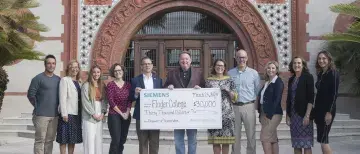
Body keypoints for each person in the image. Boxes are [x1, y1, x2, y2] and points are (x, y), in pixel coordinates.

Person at [164, 51, 205, 154]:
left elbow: (205, 89)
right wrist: (168, 87)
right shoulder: (171, 73)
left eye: (187, 59)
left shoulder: (198, 73)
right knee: (178, 140)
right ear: (179, 61)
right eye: (182, 59)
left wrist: (200, 89)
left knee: (192, 140)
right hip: (177, 113)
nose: (184, 61)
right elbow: (164, 88)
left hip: (193, 112)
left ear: (190, 61)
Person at [27, 54, 61, 154]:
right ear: (45, 65)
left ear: (55, 65)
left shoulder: (58, 80)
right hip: (41, 115)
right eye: (49, 63)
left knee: (49, 141)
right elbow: (30, 94)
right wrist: (38, 107)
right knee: (40, 140)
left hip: (54, 116)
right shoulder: (37, 78)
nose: (51, 65)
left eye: (53, 63)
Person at [229, 49, 261, 154]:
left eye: (243, 57)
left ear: (247, 58)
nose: (241, 59)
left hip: (249, 106)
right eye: (239, 57)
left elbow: (257, 90)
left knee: (251, 134)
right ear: (236, 58)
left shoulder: (254, 73)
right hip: (235, 107)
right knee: (235, 135)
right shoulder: (230, 73)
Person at [131, 57, 163, 154]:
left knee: (154, 142)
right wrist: (136, 94)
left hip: (155, 116)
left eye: (149, 63)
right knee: (143, 142)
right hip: (141, 116)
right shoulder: (135, 80)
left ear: (152, 66)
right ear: (141, 66)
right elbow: (131, 97)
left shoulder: (158, 80)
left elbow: (162, 97)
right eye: (145, 64)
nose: (147, 65)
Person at [206, 59, 237, 154]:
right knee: (215, 142)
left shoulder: (229, 80)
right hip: (213, 114)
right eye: (218, 65)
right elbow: (204, 96)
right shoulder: (208, 81)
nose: (220, 67)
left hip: (227, 114)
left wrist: (228, 91)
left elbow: (235, 97)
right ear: (214, 67)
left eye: (222, 66)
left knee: (225, 142)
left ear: (224, 68)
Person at [286, 57, 315, 154]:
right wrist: (288, 115)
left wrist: (307, 115)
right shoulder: (291, 79)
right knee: (296, 144)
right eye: (294, 63)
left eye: (299, 63)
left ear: (303, 65)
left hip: (304, 115)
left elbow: (311, 98)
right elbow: (288, 99)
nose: (296, 65)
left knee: (306, 144)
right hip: (294, 116)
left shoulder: (308, 77)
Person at [313, 51, 339, 154]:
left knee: (324, 139)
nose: (321, 60)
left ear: (329, 60)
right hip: (319, 110)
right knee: (321, 139)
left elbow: (334, 94)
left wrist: (329, 112)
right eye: (319, 58)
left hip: (327, 111)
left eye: (324, 58)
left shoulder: (333, 73)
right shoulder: (320, 74)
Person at [257, 61, 284, 154]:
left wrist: (270, 115)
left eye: (273, 68)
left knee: (264, 138)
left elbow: (277, 99)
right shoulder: (267, 82)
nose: (270, 70)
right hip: (264, 113)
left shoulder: (278, 82)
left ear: (276, 70)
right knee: (272, 138)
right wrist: (261, 113)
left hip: (273, 114)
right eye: (269, 68)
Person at [57, 60, 83, 154]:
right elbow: (62, 97)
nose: (74, 69)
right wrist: (64, 113)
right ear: (68, 68)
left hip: (76, 114)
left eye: (76, 67)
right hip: (67, 114)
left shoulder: (79, 82)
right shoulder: (65, 80)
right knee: (64, 139)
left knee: (72, 139)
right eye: (72, 67)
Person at [81, 65, 108, 154]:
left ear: (100, 73)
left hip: (100, 113)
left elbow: (104, 100)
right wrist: (93, 114)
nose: (96, 74)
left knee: (98, 139)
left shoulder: (102, 85)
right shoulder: (86, 85)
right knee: (89, 139)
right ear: (91, 73)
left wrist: (103, 113)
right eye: (94, 72)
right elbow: (85, 102)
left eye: (98, 72)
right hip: (89, 115)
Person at [107, 63, 132, 154]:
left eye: (119, 70)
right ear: (113, 72)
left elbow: (130, 100)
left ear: (123, 71)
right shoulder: (110, 85)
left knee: (122, 140)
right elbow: (111, 101)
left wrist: (127, 112)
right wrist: (122, 114)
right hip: (114, 115)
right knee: (116, 140)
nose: (118, 72)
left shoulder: (128, 85)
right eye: (116, 71)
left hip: (126, 115)